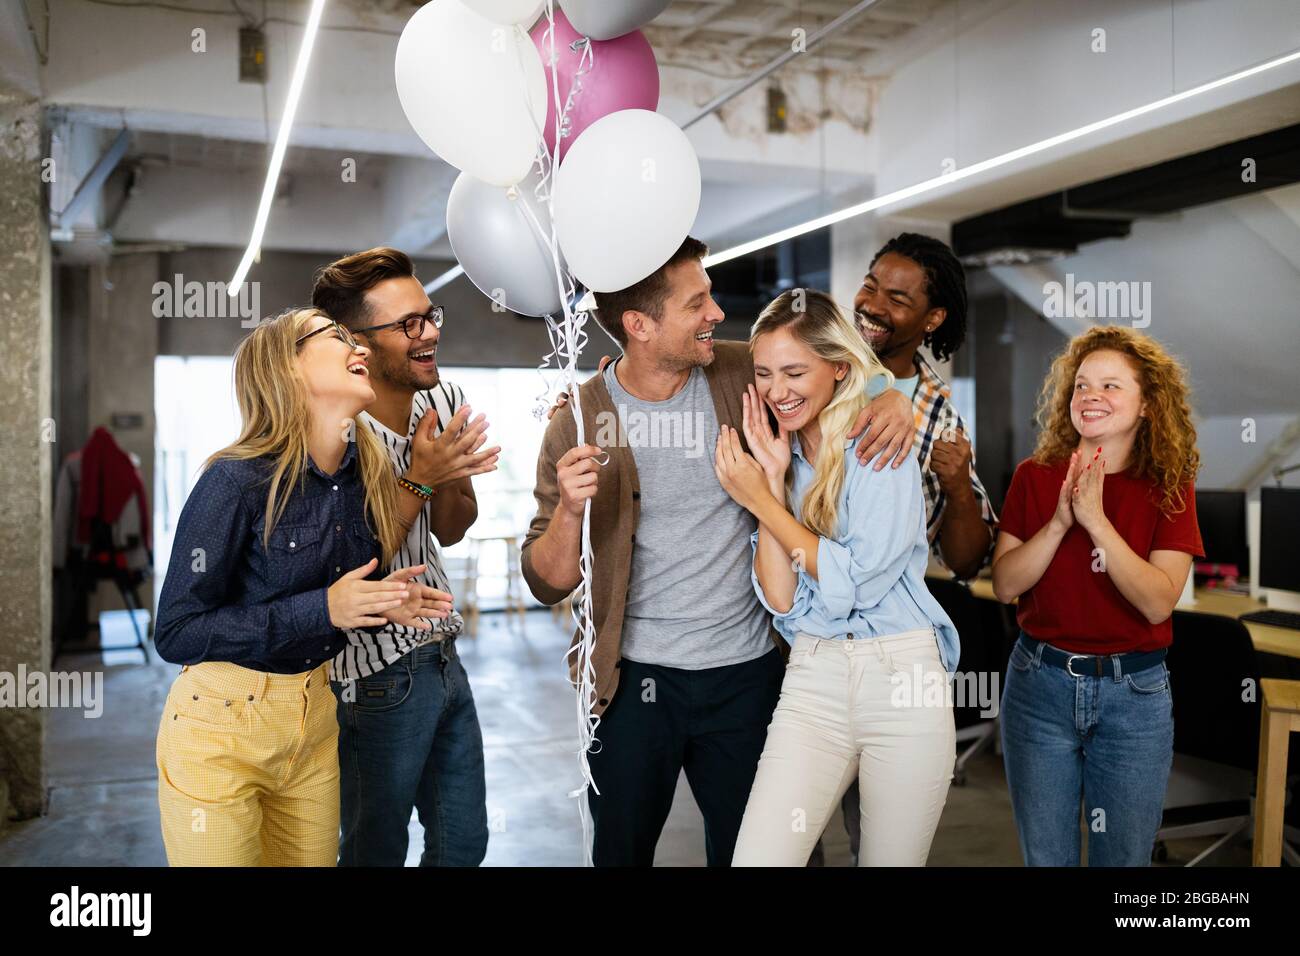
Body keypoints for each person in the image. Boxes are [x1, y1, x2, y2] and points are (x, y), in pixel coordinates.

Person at [520, 236, 917, 866]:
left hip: (749, 675)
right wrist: (570, 510)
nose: (716, 312)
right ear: (639, 326)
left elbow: (834, 369)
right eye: (697, 302)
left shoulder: (740, 373)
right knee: (619, 855)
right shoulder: (580, 419)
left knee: (771, 856)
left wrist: (892, 393)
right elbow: (545, 581)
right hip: (631, 685)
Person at [154, 308, 452, 866]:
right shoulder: (234, 479)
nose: (356, 344)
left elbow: (335, 594)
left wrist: (381, 601)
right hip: (220, 729)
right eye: (335, 335)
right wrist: (325, 608)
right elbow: (176, 631)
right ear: (287, 370)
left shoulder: (365, 475)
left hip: (315, 723)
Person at [715, 289, 959, 866]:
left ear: (839, 368)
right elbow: (779, 596)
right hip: (813, 680)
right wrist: (772, 483)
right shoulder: (783, 457)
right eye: (765, 374)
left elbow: (857, 580)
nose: (778, 391)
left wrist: (761, 504)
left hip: (901, 680)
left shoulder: (879, 441)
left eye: (796, 371)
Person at [311, 247, 499, 867]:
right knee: (375, 850)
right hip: (372, 679)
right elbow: (346, 565)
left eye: (429, 315)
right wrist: (421, 474)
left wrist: (446, 473)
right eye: (408, 324)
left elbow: (453, 528)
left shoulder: (441, 402)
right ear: (354, 343)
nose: (431, 333)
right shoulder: (334, 430)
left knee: (463, 842)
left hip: (443, 655)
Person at [991, 325, 1203, 866]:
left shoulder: (1170, 485)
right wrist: (1062, 521)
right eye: (1082, 385)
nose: (1091, 396)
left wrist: (1098, 522)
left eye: (1111, 386)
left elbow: (1158, 601)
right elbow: (1006, 584)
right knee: (1048, 859)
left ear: (1148, 404)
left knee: (1124, 863)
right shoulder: (1035, 478)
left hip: (1133, 697)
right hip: (1039, 686)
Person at [828, 231, 999, 865]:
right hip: (796, 634)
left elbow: (965, 560)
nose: (872, 303)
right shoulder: (816, 365)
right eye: (871, 285)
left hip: (885, 648)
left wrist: (957, 487)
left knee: (874, 834)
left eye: (896, 298)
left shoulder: (937, 413)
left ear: (931, 319)